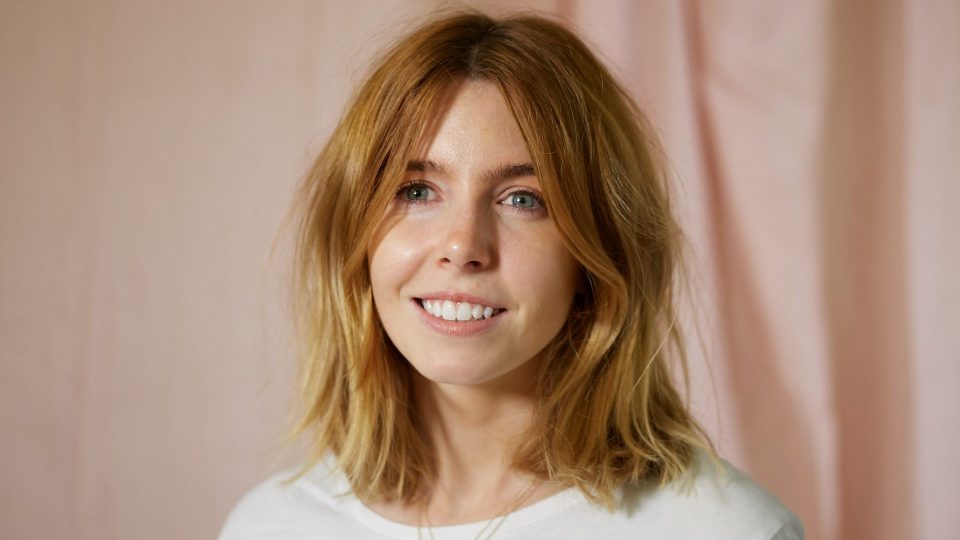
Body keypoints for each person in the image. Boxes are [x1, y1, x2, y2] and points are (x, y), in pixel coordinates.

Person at [219, 11, 803, 540]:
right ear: (356, 238)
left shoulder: (727, 530)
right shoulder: (269, 525)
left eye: (523, 200)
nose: (462, 246)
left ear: (596, 257)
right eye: (417, 190)